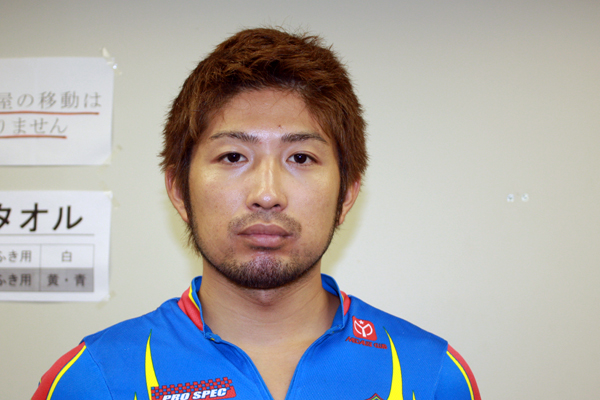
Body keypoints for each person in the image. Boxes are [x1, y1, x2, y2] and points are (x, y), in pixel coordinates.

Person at [33, 27, 481, 400]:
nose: (267, 195)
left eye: (301, 158)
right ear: (179, 190)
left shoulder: (431, 375)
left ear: (347, 195)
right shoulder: (93, 379)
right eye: (233, 156)